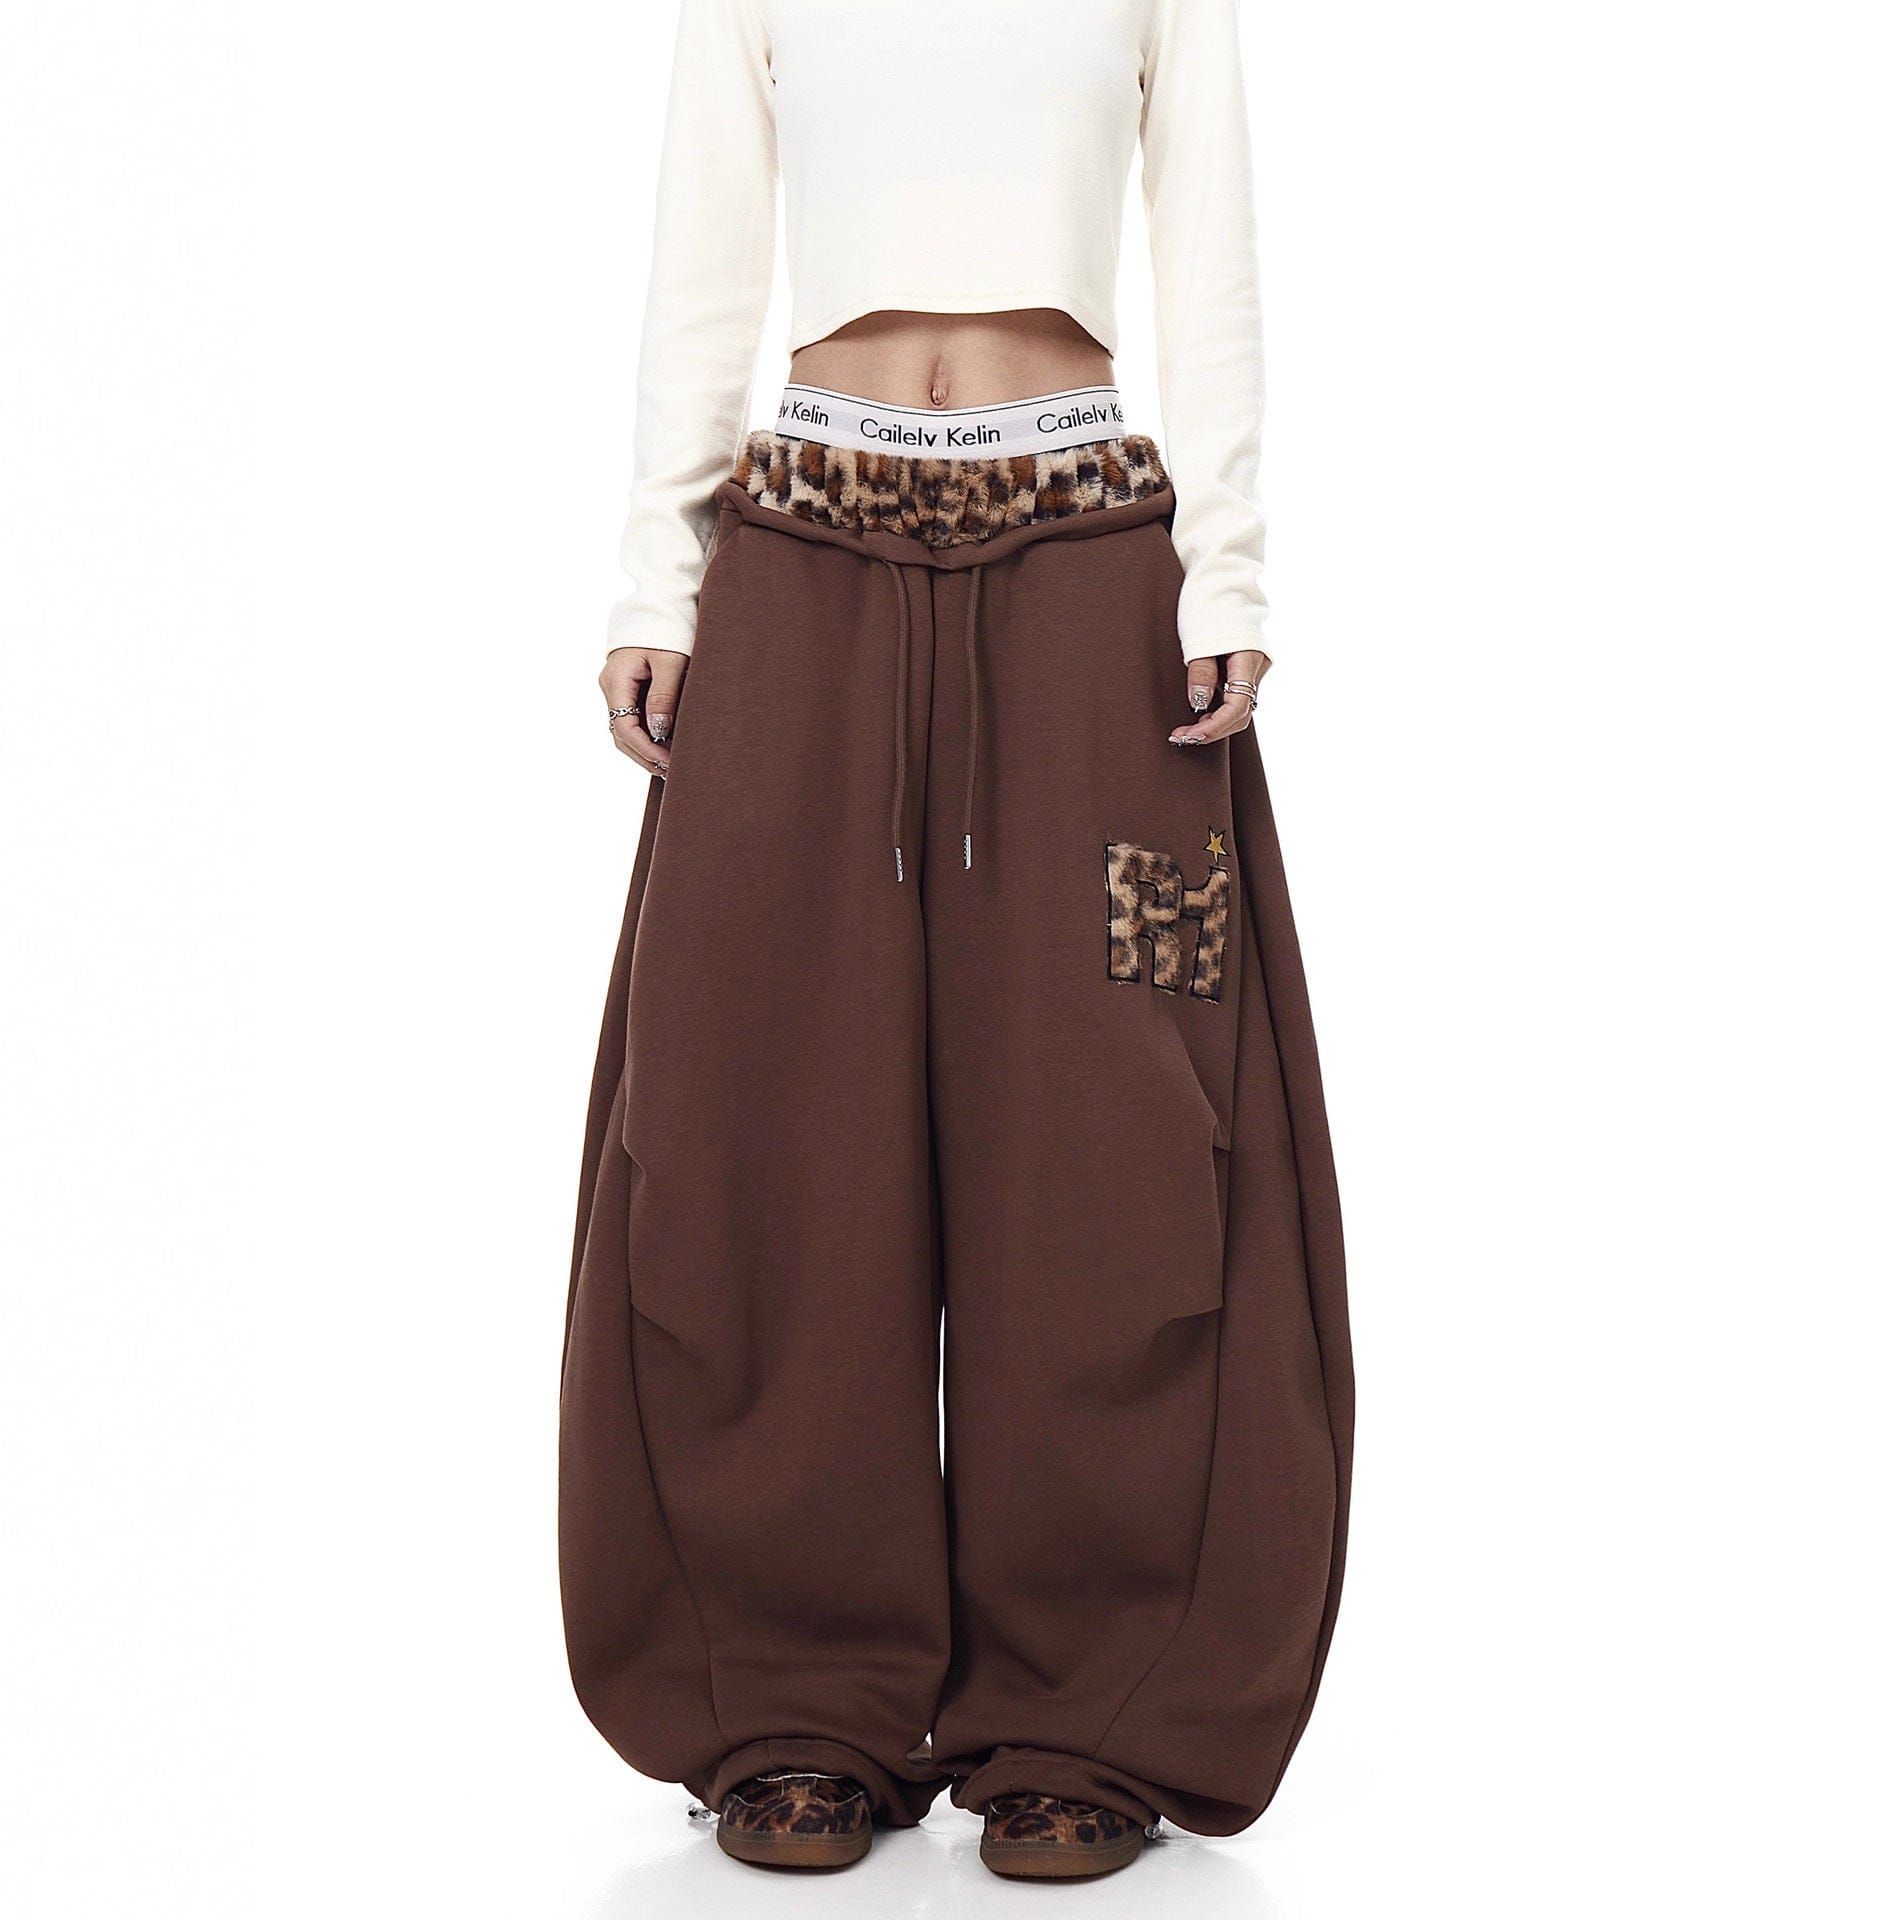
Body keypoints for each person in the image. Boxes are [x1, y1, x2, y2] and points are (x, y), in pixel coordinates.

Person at [560, 0, 1352, 1881]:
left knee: (1118, 1136)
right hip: (800, 567)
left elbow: (1211, 248)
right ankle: (792, 1700)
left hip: (1091, 588)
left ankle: (1091, 1712)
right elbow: (704, 253)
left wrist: (1230, 566)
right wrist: (658, 577)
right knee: (759, 1129)